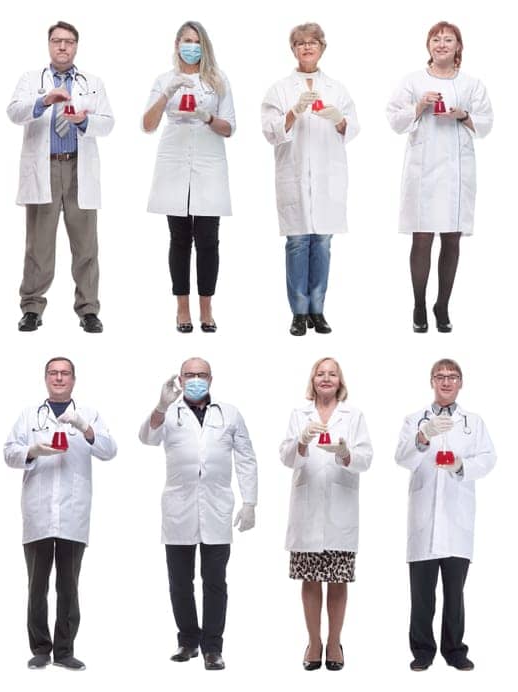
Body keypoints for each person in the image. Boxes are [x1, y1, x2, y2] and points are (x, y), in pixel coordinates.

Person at [139, 357, 256, 670]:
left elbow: (246, 458)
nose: (195, 379)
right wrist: (161, 406)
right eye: (189, 374)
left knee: (215, 581)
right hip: (178, 508)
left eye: (201, 374)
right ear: (179, 378)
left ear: (211, 379)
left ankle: (213, 648)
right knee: (180, 581)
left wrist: (250, 502)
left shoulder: (229, 413)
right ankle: (188, 641)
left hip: (218, 507)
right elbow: (147, 438)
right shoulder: (169, 411)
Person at [1, 357, 116, 670]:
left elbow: (108, 450)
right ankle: (40, 648)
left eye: (65, 373)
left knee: (69, 585)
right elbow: (8, 452)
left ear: (74, 379)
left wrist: (84, 427)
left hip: (73, 512)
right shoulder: (28, 415)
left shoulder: (89, 413)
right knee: (36, 585)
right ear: (45, 378)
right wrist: (32, 451)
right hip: (38, 512)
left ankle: (64, 651)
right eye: (53, 373)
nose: (59, 378)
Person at [386, 22, 494, 333]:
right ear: (428, 45)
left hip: (456, 171)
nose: (442, 44)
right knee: (422, 238)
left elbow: (487, 122)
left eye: (449, 40)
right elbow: (394, 118)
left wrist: (463, 115)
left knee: (451, 238)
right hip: (423, 171)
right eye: (436, 39)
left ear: (459, 46)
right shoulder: (413, 81)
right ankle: (419, 303)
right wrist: (419, 106)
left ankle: (442, 305)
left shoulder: (472, 84)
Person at [7, 22, 113, 334]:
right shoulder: (31, 80)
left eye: (68, 42)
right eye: (57, 41)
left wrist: (84, 121)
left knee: (86, 246)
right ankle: (31, 307)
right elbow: (13, 112)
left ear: (76, 46)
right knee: (38, 246)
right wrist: (43, 102)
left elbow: (107, 123)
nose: (62, 47)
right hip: (45, 169)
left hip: (79, 167)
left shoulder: (92, 82)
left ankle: (88, 309)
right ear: (49, 45)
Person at [393, 358, 495, 671]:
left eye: (452, 377)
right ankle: (423, 652)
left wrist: (462, 466)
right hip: (423, 521)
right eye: (440, 376)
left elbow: (489, 458)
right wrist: (423, 437)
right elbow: (401, 457)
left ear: (460, 382)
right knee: (421, 596)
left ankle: (455, 651)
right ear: (432, 382)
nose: (446, 381)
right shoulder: (415, 419)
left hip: (457, 520)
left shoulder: (473, 422)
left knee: (455, 595)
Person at [261, 23, 357, 336]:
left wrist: (337, 119)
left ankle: (318, 310)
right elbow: (270, 131)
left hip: (327, 180)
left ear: (322, 48)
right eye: (300, 43)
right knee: (298, 244)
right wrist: (294, 111)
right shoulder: (280, 88)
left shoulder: (337, 88)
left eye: (312, 43)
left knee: (323, 245)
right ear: (293, 50)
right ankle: (299, 313)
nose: (306, 48)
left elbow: (352, 127)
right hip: (295, 176)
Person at [277, 357, 372, 671]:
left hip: (340, 512)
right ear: (313, 380)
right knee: (310, 579)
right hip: (307, 511)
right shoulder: (298, 414)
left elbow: (366, 458)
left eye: (332, 373)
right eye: (321, 373)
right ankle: (313, 642)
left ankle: (334, 643)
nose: (326, 378)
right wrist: (301, 443)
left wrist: (346, 454)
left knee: (338, 580)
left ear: (340, 381)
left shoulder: (353, 415)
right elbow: (287, 457)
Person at [143, 21, 236, 333]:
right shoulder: (163, 79)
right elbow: (147, 124)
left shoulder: (218, 80)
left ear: (204, 45)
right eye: (186, 40)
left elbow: (230, 127)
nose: (191, 46)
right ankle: (182, 309)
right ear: (176, 44)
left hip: (209, 161)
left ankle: (206, 308)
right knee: (179, 238)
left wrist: (206, 116)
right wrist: (166, 94)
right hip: (174, 161)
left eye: (196, 41)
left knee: (208, 240)